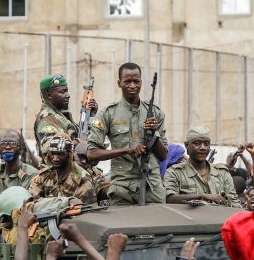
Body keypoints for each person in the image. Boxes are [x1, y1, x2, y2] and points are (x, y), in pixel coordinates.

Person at [87, 62, 168, 205]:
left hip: (152, 188)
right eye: (127, 81)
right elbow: (92, 154)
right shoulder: (108, 113)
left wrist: (154, 134)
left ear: (141, 83)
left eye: (136, 81)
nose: (132, 85)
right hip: (122, 189)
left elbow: (163, 155)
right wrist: (128, 150)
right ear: (119, 83)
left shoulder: (155, 113)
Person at [164, 126, 240, 207]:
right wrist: (201, 196)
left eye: (206, 144)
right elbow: (169, 198)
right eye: (197, 143)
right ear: (186, 145)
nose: (202, 147)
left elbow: (234, 203)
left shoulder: (222, 172)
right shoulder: (175, 172)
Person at [34, 74, 97, 160]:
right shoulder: (47, 118)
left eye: (67, 91)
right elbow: (51, 149)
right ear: (48, 95)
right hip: (59, 172)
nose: (68, 95)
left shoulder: (60, 115)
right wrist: (79, 141)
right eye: (62, 92)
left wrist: (90, 116)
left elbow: (81, 135)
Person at [29, 135, 96, 204]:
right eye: (52, 154)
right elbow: (32, 203)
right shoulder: (43, 176)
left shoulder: (81, 178)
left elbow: (87, 208)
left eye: (61, 154)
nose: (55, 159)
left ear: (70, 155)